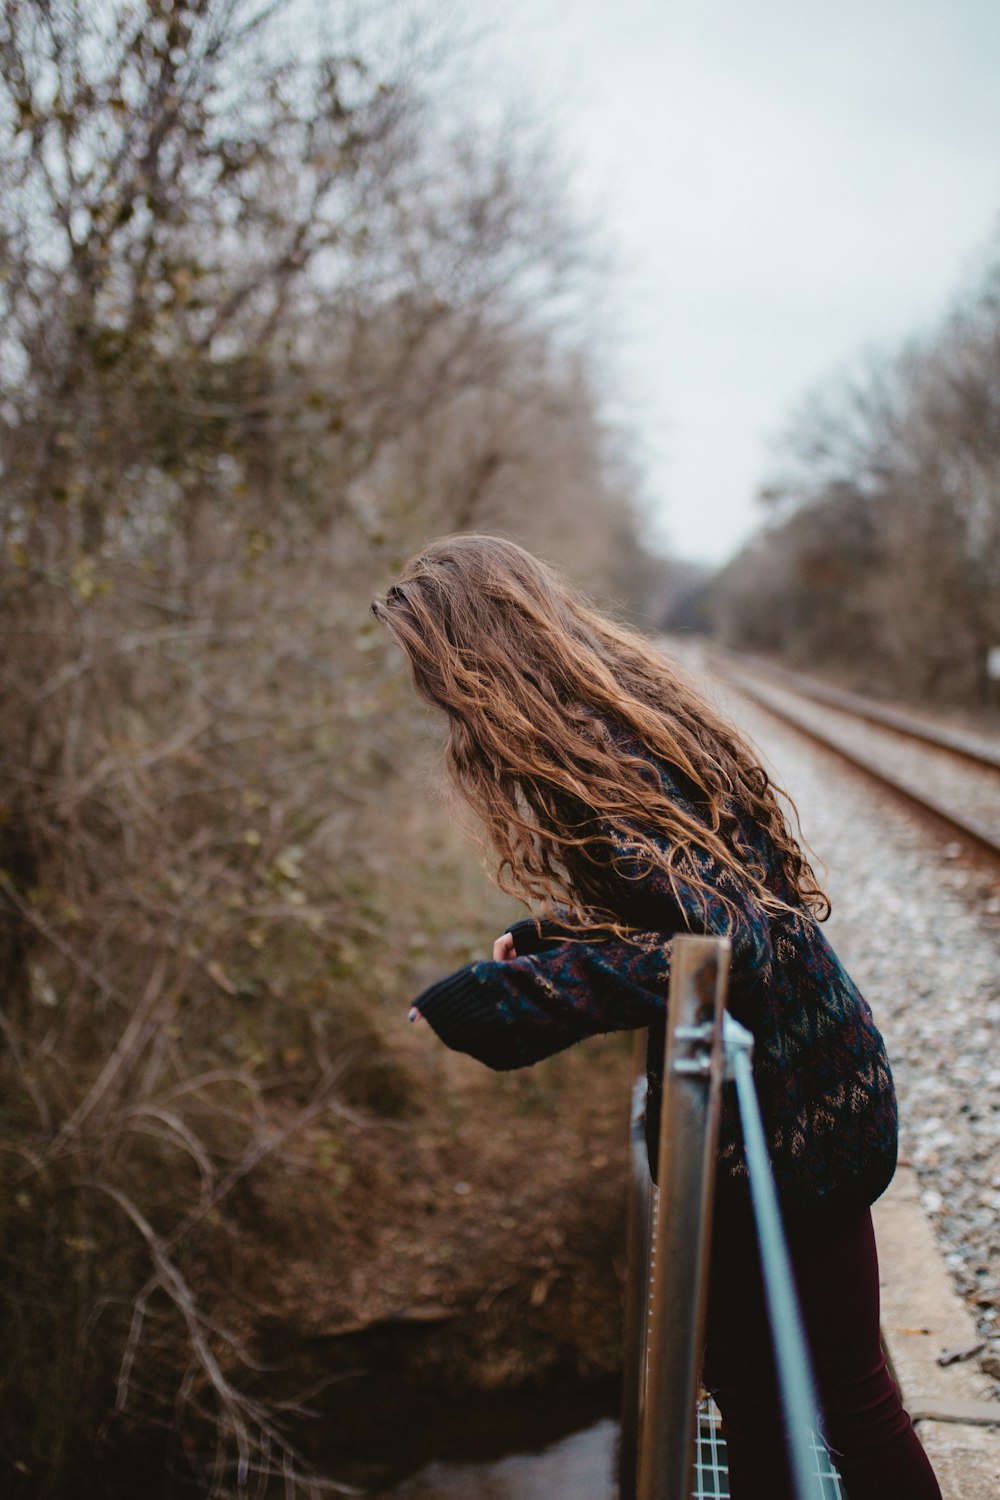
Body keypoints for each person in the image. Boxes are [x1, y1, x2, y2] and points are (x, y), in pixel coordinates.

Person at [371, 533, 942, 1500]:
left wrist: (517, 1001)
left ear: (477, 656)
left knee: (847, 1398)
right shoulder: (615, 723)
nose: (432, 694)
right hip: (795, 1085)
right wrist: (554, 942)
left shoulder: (600, 759)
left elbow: (725, 949)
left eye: (433, 668)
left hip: (797, 1114)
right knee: (759, 1396)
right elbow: (691, 908)